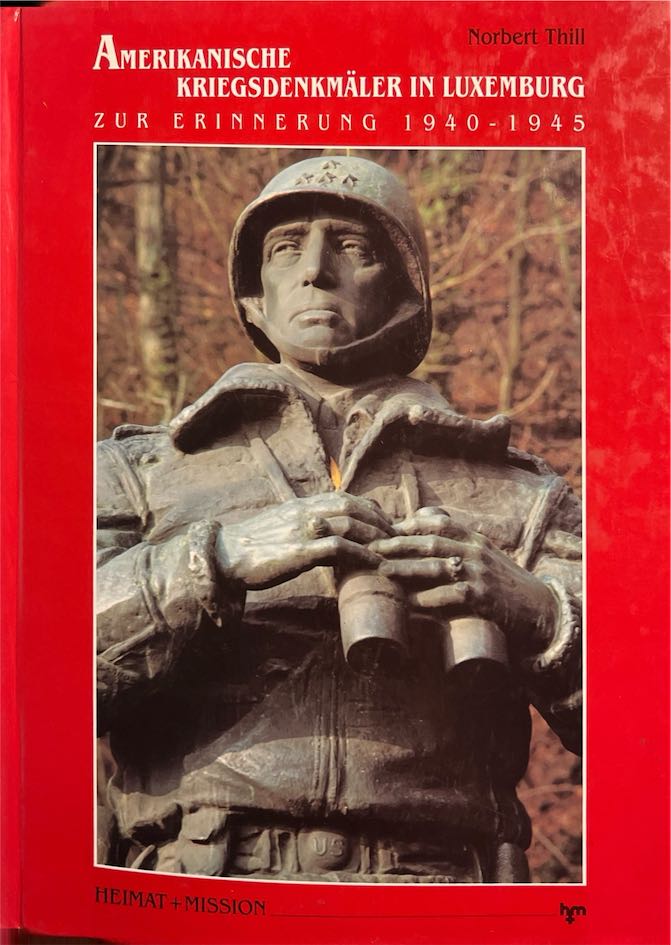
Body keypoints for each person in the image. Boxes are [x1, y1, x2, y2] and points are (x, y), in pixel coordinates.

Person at [96, 156, 581, 883]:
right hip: (205, 880)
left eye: (352, 247)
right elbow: (39, 676)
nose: (316, 271)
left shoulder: (518, 491)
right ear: (254, 294)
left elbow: (644, 726)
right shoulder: (143, 470)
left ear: (405, 289)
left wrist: (539, 612)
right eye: (285, 248)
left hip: (437, 888)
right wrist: (214, 560)